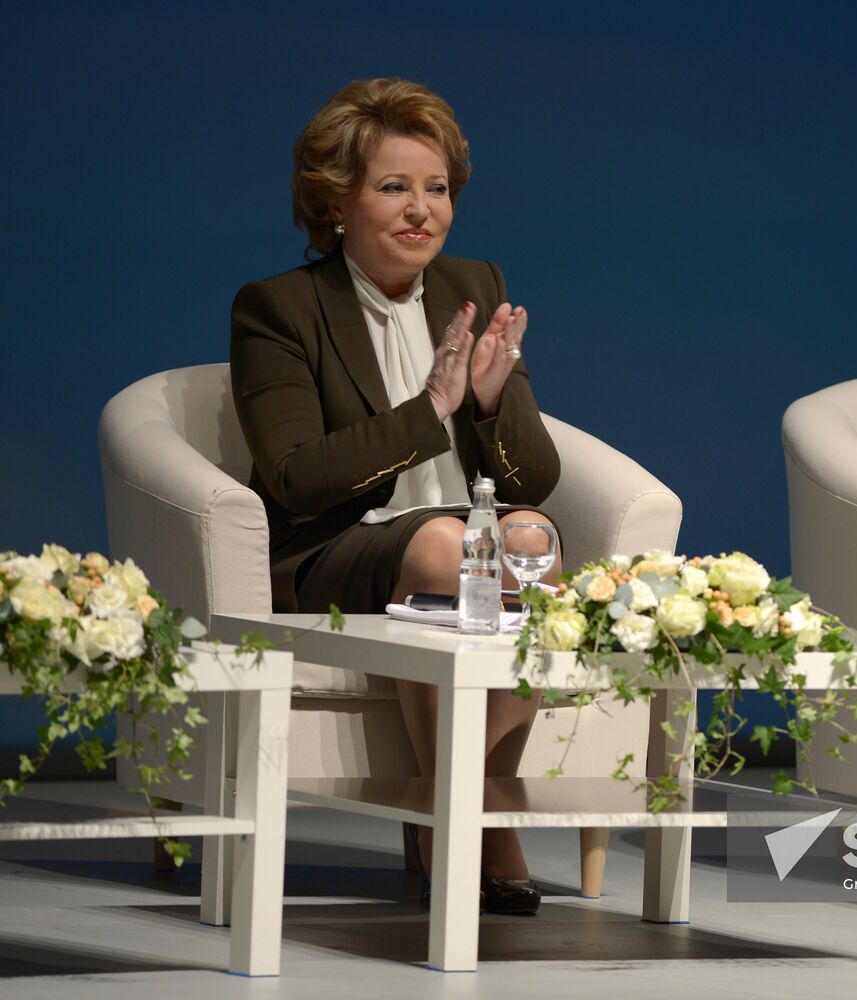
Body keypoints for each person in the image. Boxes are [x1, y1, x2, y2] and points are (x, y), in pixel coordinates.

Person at [231, 77, 560, 915]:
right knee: (454, 548)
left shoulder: (471, 282)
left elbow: (536, 480)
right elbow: (297, 477)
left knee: (531, 541)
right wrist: (433, 411)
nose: (422, 211)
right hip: (336, 545)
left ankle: (451, 802)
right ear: (336, 201)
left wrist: (487, 403)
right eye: (393, 188)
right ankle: (481, 825)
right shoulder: (280, 308)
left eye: (436, 189)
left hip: (455, 535)